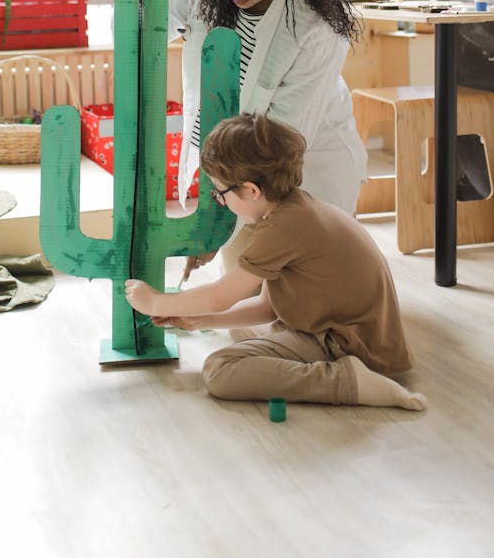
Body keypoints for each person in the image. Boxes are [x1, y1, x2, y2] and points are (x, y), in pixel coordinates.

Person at [125, 113, 426, 411]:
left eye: (220, 192)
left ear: (251, 190)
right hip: (348, 337)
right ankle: (347, 375)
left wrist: (155, 303)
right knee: (248, 345)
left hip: (350, 345)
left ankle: (345, 381)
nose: (221, 200)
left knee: (219, 370)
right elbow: (267, 307)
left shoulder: (283, 228)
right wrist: (202, 321)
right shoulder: (293, 210)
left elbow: (220, 296)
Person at [165, 0, 368, 223]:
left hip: (309, 172)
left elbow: (284, 144)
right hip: (235, 180)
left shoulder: (315, 26)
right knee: (242, 270)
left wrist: (222, 210)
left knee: (294, 272)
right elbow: (141, 24)